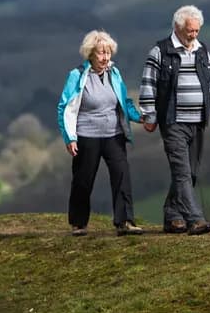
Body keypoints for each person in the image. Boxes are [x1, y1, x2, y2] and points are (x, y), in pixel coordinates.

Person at [138, 4, 210, 235]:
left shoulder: (202, 51)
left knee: (191, 173)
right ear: (178, 28)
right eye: (190, 31)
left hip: (198, 120)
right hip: (172, 121)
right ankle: (194, 219)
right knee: (181, 172)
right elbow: (148, 85)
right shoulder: (160, 51)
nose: (194, 35)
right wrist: (149, 116)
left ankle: (173, 216)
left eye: (197, 30)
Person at [57, 29, 146, 236]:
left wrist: (139, 117)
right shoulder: (77, 75)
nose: (106, 57)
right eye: (101, 53)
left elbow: (124, 102)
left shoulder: (114, 73)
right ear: (90, 54)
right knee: (83, 179)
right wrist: (69, 137)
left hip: (114, 134)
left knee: (122, 175)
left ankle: (125, 222)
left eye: (108, 53)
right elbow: (64, 107)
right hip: (86, 136)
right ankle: (79, 223)